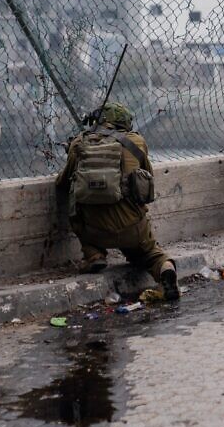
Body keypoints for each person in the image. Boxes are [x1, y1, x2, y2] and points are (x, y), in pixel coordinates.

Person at [56, 102, 179, 300]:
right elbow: (147, 176)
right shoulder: (136, 142)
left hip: (93, 230)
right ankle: (165, 268)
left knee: (74, 200)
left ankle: (94, 254)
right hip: (133, 227)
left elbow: (62, 183)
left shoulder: (80, 142)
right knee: (149, 254)